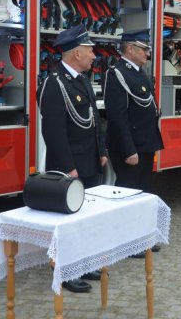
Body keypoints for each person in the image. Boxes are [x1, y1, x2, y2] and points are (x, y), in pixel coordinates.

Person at [37, 24, 108, 293]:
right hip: (70, 167)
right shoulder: (54, 83)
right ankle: (65, 271)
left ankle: (81, 263)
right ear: (76, 53)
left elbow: (93, 122)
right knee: (68, 221)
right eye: (90, 51)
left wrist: (101, 153)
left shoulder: (80, 80)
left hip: (88, 162)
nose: (94, 56)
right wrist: (69, 167)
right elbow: (53, 131)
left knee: (84, 218)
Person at [104, 29, 164, 190]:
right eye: (144, 49)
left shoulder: (140, 73)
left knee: (143, 190)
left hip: (145, 144)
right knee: (128, 190)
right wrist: (128, 150)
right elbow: (117, 116)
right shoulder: (117, 73)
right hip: (131, 147)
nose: (147, 53)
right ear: (130, 49)